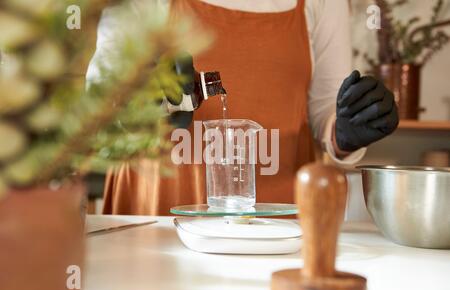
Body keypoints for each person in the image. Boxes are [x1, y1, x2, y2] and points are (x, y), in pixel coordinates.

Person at [86, 0, 399, 215]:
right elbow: (101, 94)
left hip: (275, 225)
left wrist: (346, 133)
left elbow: (327, 113)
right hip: (155, 215)